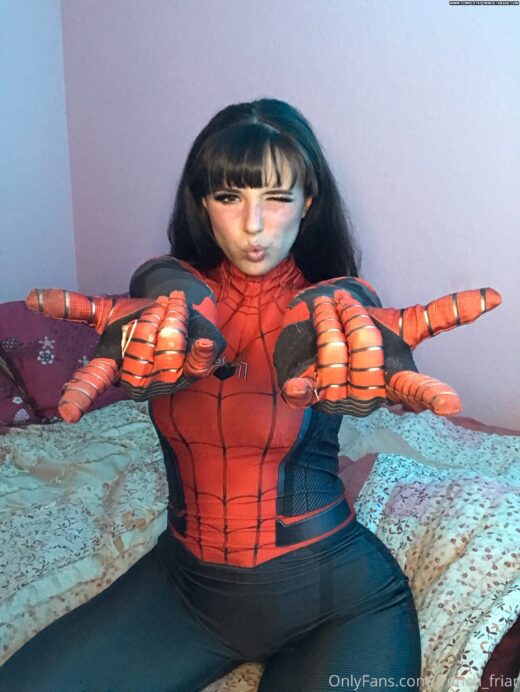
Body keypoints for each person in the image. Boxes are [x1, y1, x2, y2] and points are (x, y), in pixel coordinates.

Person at [0, 99, 500, 692]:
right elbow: (163, 282)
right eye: (230, 197)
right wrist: (174, 304)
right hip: (184, 594)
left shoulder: (335, 307)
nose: (254, 225)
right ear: (202, 202)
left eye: (277, 198)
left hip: (339, 603)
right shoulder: (165, 307)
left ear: (308, 202)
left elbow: (347, 304)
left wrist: (350, 335)